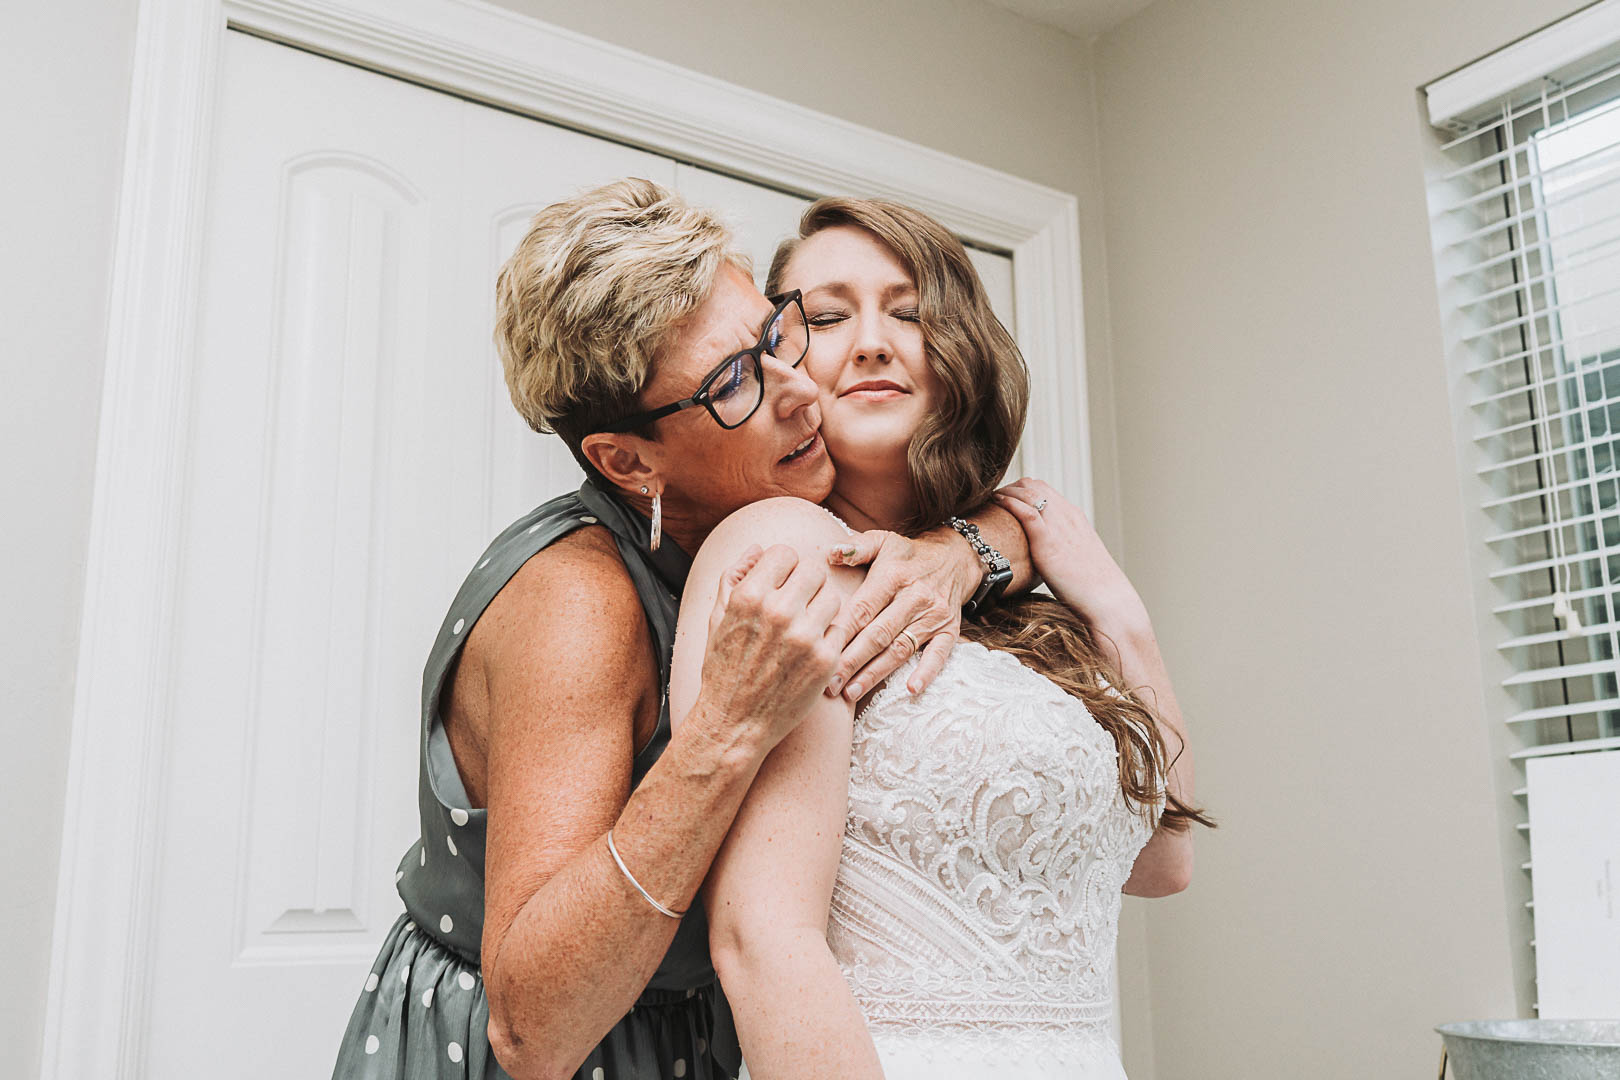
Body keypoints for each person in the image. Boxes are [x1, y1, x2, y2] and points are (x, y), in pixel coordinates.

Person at [329, 179, 1037, 1080]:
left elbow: (1030, 512)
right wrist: (729, 726)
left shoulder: (766, 518)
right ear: (629, 461)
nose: (798, 390)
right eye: (736, 381)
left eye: (776, 334)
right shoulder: (578, 604)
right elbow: (533, 1030)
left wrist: (974, 547)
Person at [668, 198, 1214, 1079]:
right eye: (829, 316)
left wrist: (1117, 612)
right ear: (775, 362)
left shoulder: (1011, 592)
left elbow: (1162, 858)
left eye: (912, 314)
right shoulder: (787, 553)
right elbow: (764, 942)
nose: (876, 342)